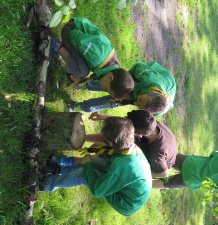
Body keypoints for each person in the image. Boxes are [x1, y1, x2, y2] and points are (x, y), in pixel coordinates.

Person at [39, 117, 152, 216]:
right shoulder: (130, 146)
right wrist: (102, 151)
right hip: (127, 183)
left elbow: (98, 190)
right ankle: (58, 170)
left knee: (84, 174)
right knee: (93, 160)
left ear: (111, 143)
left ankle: (46, 184)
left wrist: (87, 165)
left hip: (125, 201)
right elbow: (115, 157)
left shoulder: (119, 167)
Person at [50, 17, 134, 99]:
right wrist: (75, 56)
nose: (103, 90)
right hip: (71, 30)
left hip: (79, 35)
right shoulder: (97, 57)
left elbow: (100, 72)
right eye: (106, 89)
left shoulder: (114, 68)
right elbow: (75, 35)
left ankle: (63, 50)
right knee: (82, 71)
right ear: (110, 78)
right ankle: (55, 45)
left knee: (84, 70)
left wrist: (89, 78)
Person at [86, 110, 177, 178]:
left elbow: (164, 174)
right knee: (116, 133)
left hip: (150, 163)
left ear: (139, 134)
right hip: (149, 145)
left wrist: (135, 174)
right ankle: (83, 138)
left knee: (117, 141)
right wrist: (105, 117)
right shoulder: (149, 123)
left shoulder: (156, 153)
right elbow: (126, 124)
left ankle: (94, 161)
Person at [69, 61, 176, 117]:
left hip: (157, 91)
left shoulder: (155, 111)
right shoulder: (148, 78)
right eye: (139, 100)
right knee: (116, 86)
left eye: (140, 106)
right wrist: (125, 85)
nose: (137, 102)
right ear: (151, 92)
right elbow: (138, 65)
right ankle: (85, 84)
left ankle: (81, 106)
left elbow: (141, 104)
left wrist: (130, 99)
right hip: (161, 78)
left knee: (117, 101)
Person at [152, 151, 218, 190]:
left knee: (167, 156)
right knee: (166, 184)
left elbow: (213, 154)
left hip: (191, 163)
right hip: (192, 180)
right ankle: (143, 185)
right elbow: (214, 187)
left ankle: (146, 157)